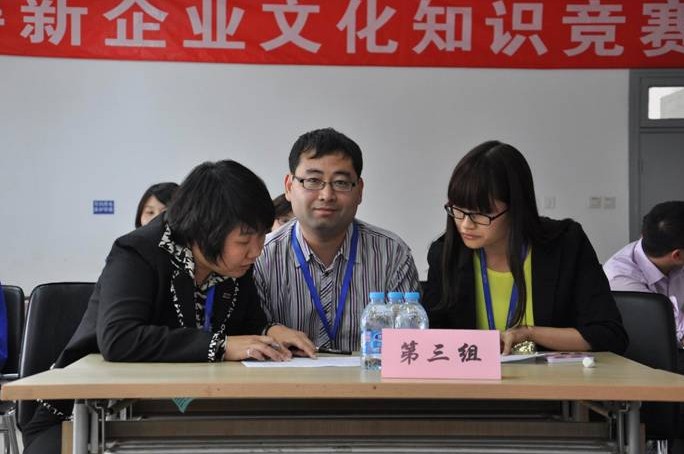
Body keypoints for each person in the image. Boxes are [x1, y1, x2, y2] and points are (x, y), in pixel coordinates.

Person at [23, 160, 316, 454]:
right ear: (205, 230)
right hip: (90, 413)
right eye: (244, 240)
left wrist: (270, 330)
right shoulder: (138, 252)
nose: (256, 250)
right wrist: (221, 346)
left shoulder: (233, 265)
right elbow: (119, 338)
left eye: (261, 236)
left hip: (175, 410)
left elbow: (246, 321)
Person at [423, 140, 628, 355]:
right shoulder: (445, 254)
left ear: (516, 208)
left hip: (555, 375)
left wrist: (530, 333)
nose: (466, 224)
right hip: (475, 376)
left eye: (481, 213)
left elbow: (609, 335)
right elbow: (431, 336)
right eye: (457, 210)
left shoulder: (566, 245)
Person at [254, 127, 420, 352]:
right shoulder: (261, 257)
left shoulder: (392, 255)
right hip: (288, 375)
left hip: (371, 375)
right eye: (313, 180)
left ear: (359, 190)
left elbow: (408, 346)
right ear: (289, 187)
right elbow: (253, 336)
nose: (326, 195)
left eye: (341, 183)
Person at [603, 201, 684, 349]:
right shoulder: (621, 277)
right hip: (644, 354)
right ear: (677, 255)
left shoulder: (666, 251)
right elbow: (668, 331)